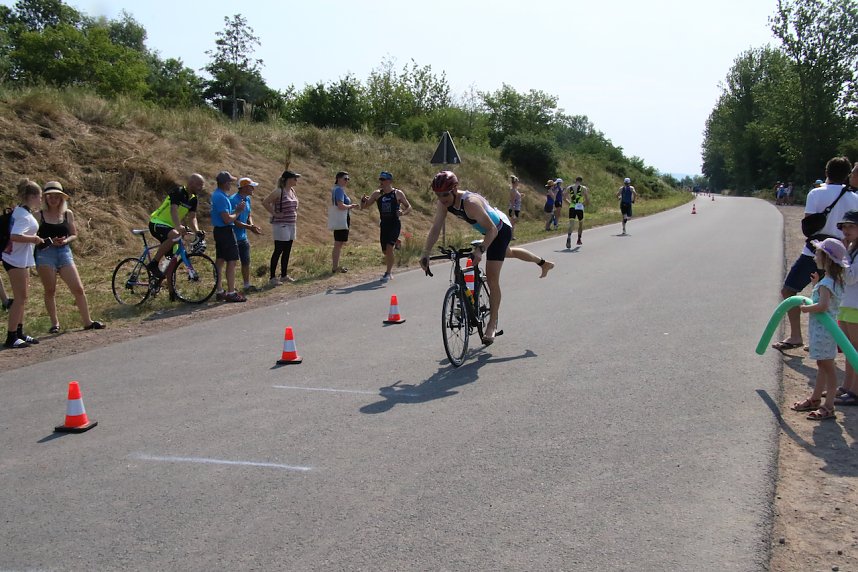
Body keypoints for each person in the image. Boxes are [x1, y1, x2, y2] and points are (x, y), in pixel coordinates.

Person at [420, 171, 555, 345]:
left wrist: (481, 249)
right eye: (438, 195)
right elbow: (436, 227)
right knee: (509, 253)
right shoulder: (443, 203)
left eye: (445, 194)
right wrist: (425, 252)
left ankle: (491, 325)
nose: (442, 198)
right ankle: (543, 263)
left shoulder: (470, 203)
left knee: (492, 278)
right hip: (488, 228)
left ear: (455, 189)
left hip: (499, 229)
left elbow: (493, 230)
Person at [773, 157, 858, 351]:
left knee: (789, 290)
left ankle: (795, 336)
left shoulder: (816, 194)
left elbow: (809, 224)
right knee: (833, 297)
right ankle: (831, 338)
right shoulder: (854, 197)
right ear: (846, 175)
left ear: (827, 172)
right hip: (841, 254)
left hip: (815, 252)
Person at [789, 238, 847, 421]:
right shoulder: (831, 281)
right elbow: (826, 302)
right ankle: (815, 399)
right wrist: (816, 285)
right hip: (825, 332)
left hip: (823, 332)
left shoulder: (827, 284)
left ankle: (828, 405)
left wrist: (806, 309)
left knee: (828, 367)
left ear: (827, 259)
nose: (815, 256)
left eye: (818, 253)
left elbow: (822, 306)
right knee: (822, 365)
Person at [35, 181, 104, 333]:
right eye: (50, 196)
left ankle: (87, 321)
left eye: (56, 196)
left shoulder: (68, 214)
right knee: (50, 290)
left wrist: (65, 241)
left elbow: (73, 234)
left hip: (64, 251)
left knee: (78, 288)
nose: (53, 199)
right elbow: (33, 237)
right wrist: (49, 241)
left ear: (61, 198)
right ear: (45, 198)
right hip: (45, 253)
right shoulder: (38, 215)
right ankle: (55, 324)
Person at [2, 179, 43, 348]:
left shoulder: (21, 212)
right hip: (15, 260)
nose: (41, 200)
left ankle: (19, 332)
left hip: (22, 259)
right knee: (19, 298)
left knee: (23, 297)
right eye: (39, 196)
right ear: (32, 196)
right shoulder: (23, 216)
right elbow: (15, 235)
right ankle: (11, 336)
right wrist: (34, 239)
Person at [147, 173, 204, 281]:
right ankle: (153, 264)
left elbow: (192, 218)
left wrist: (197, 231)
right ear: (191, 183)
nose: (201, 188)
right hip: (157, 222)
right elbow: (173, 210)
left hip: (171, 228)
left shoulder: (193, 199)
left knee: (171, 262)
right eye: (199, 185)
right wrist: (178, 226)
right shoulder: (178, 192)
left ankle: (171, 294)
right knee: (176, 236)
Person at [359, 171, 412, 283]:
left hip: (394, 223)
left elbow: (409, 207)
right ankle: (397, 242)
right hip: (384, 224)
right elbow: (364, 207)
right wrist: (363, 201)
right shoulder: (377, 194)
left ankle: (388, 272)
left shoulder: (397, 193)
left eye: (383, 180)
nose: (381, 182)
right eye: (380, 179)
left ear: (389, 181)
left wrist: (402, 212)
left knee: (388, 248)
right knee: (385, 251)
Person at [211, 171, 246, 303]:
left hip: (219, 231)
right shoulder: (220, 197)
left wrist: (234, 211)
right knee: (232, 261)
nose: (231, 184)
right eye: (230, 182)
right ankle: (231, 292)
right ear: (225, 183)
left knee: (220, 260)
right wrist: (237, 212)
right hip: (225, 231)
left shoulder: (218, 195)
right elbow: (226, 219)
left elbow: (225, 215)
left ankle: (220, 290)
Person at [835, 207, 858, 406]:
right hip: (847, 304)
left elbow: (851, 278)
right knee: (849, 350)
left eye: (852, 226)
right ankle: (847, 386)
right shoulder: (852, 248)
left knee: (855, 351)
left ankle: (855, 391)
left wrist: (842, 257)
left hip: (856, 307)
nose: (847, 230)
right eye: (845, 227)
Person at [262, 170, 300, 286]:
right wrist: (275, 213)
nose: (296, 180)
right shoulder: (279, 191)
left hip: (291, 223)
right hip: (281, 224)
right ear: (288, 179)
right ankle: (272, 277)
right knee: (278, 249)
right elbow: (265, 202)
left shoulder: (292, 191)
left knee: (287, 250)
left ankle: (284, 275)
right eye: (294, 178)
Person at [230, 177, 263, 293]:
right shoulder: (233, 200)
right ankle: (231, 287)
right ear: (243, 187)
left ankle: (246, 285)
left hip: (243, 237)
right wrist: (250, 227)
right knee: (232, 263)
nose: (253, 188)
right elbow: (233, 221)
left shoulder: (248, 199)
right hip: (232, 237)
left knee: (246, 261)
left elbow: (249, 215)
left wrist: (252, 225)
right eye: (251, 186)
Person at [330, 171, 360, 274]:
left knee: (339, 243)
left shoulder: (338, 189)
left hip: (341, 217)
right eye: (345, 178)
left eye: (348, 179)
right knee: (338, 243)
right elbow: (340, 205)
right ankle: (335, 267)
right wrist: (352, 206)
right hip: (341, 218)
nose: (347, 181)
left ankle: (336, 266)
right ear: (338, 178)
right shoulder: (338, 190)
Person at [565, 176, 591, 248]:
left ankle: (569, 237)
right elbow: (587, 199)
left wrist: (569, 203)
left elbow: (564, 197)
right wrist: (584, 204)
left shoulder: (569, 187)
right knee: (580, 223)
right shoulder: (583, 188)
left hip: (572, 206)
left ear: (575, 180)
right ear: (581, 181)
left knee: (571, 224)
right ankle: (579, 239)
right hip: (579, 206)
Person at [508, 176, 522, 240]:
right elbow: (513, 200)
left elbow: (516, 197)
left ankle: (512, 235)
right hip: (514, 208)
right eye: (517, 181)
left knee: (514, 222)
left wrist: (520, 195)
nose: (518, 183)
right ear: (514, 182)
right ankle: (511, 236)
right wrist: (513, 210)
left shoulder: (515, 190)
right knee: (512, 222)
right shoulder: (513, 190)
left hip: (517, 208)